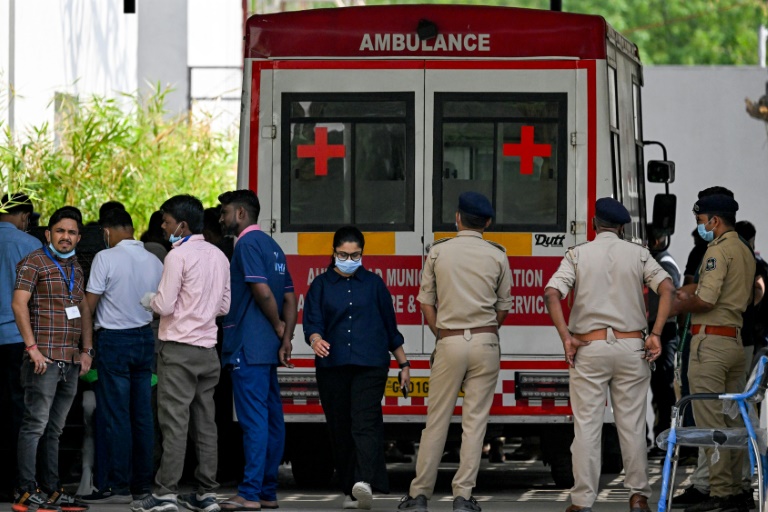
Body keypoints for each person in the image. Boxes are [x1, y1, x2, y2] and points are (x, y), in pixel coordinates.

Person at [543, 197, 674, 512]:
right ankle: (639, 497)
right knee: (631, 425)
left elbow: (551, 293)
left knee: (587, 425)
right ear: (622, 227)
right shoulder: (640, 254)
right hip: (632, 348)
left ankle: (581, 501)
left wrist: (566, 338)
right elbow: (667, 287)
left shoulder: (577, 255)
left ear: (593, 224)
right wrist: (655, 334)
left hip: (589, 347)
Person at [398, 192, 512, 512]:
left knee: (437, 421)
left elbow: (425, 302)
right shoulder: (498, 255)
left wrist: (442, 334)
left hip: (448, 342)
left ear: (457, 218)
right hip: (486, 342)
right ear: (487, 223)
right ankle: (463, 497)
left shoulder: (438, 252)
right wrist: (485, 330)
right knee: (474, 424)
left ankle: (420, 494)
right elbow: (504, 307)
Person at [132, 195, 231, 512]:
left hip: (177, 350)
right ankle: (207, 493)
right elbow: (224, 307)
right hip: (208, 351)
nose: (163, 226)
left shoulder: (177, 256)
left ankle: (165, 494)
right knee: (205, 424)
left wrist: (149, 300)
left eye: (166, 220)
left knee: (174, 424)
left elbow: (165, 305)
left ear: (182, 225)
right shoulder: (219, 256)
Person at [304, 226, 410, 510]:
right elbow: (312, 323)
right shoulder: (320, 285)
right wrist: (315, 340)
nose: (349, 259)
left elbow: (390, 328)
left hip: (370, 365)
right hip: (332, 366)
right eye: (343, 254)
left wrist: (404, 364)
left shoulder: (374, 285)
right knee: (340, 427)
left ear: (363, 254)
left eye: (355, 255)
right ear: (333, 252)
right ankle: (352, 490)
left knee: (364, 422)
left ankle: (363, 482)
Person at [673, 194, 755, 512]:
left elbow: (706, 300)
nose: (701, 228)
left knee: (711, 423)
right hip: (735, 341)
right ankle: (737, 490)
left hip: (711, 345)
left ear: (714, 221)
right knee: (733, 422)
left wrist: (677, 303)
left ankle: (721, 494)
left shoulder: (717, 251)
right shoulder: (745, 250)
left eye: (701, 221)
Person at [217, 190, 296, 511]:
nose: (220, 218)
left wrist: (277, 325)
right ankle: (267, 491)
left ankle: (249, 492)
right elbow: (290, 296)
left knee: (254, 422)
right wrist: (286, 337)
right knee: (272, 420)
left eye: (224, 213)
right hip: (268, 349)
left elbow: (261, 290)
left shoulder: (246, 245)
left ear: (240, 214)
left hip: (248, 346)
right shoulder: (273, 246)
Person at [12, 207, 94, 512]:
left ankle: (51, 490)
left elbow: (84, 309)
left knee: (55, 429)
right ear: (48, 234)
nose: (66, 237)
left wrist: (86, 350)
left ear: (78, 238)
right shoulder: (33, 262)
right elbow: (18, 304)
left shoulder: (76, 266)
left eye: (72, 232)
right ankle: (25, 490)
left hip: (70, 361)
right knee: (35, 425)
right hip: (42, 360)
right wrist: (31, 348)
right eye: (60, 231)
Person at [80, 208, 163, 503]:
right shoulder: (154, 261)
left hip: (113, 342)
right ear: (130, 227)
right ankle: (142, 485)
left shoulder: (106, 257)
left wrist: (85, 345)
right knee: (142, 416)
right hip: (144, 340)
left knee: (116, 416)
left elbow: (89, 305)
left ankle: (117, 484)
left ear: (106, 231)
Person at [0, 193, 41, 499]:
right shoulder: (30, 246)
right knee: (19, 411)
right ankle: (16, 482)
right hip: (18, 340)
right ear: (25, 216)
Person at [646, 224, 682, 444]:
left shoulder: (664, 264)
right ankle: (657, 438)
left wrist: (657, 331)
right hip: (654, 329)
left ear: (656, 241)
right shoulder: (655, 262)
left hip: (663, 331)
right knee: (653, 386)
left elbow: (672, 300)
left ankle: (665, 438)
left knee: (663, 387)